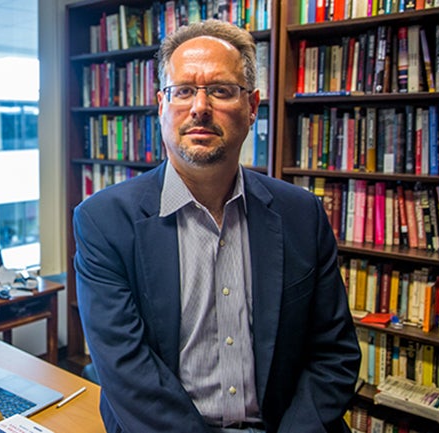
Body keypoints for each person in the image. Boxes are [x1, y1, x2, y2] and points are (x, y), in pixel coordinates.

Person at [73, 20, 360, 433]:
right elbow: (127, 373)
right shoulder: (103, 222)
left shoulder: (302, 214)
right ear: (161, 105)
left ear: (253, 106)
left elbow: (334, 354)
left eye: (221, 90)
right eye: (183, 90)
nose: (199, 107)